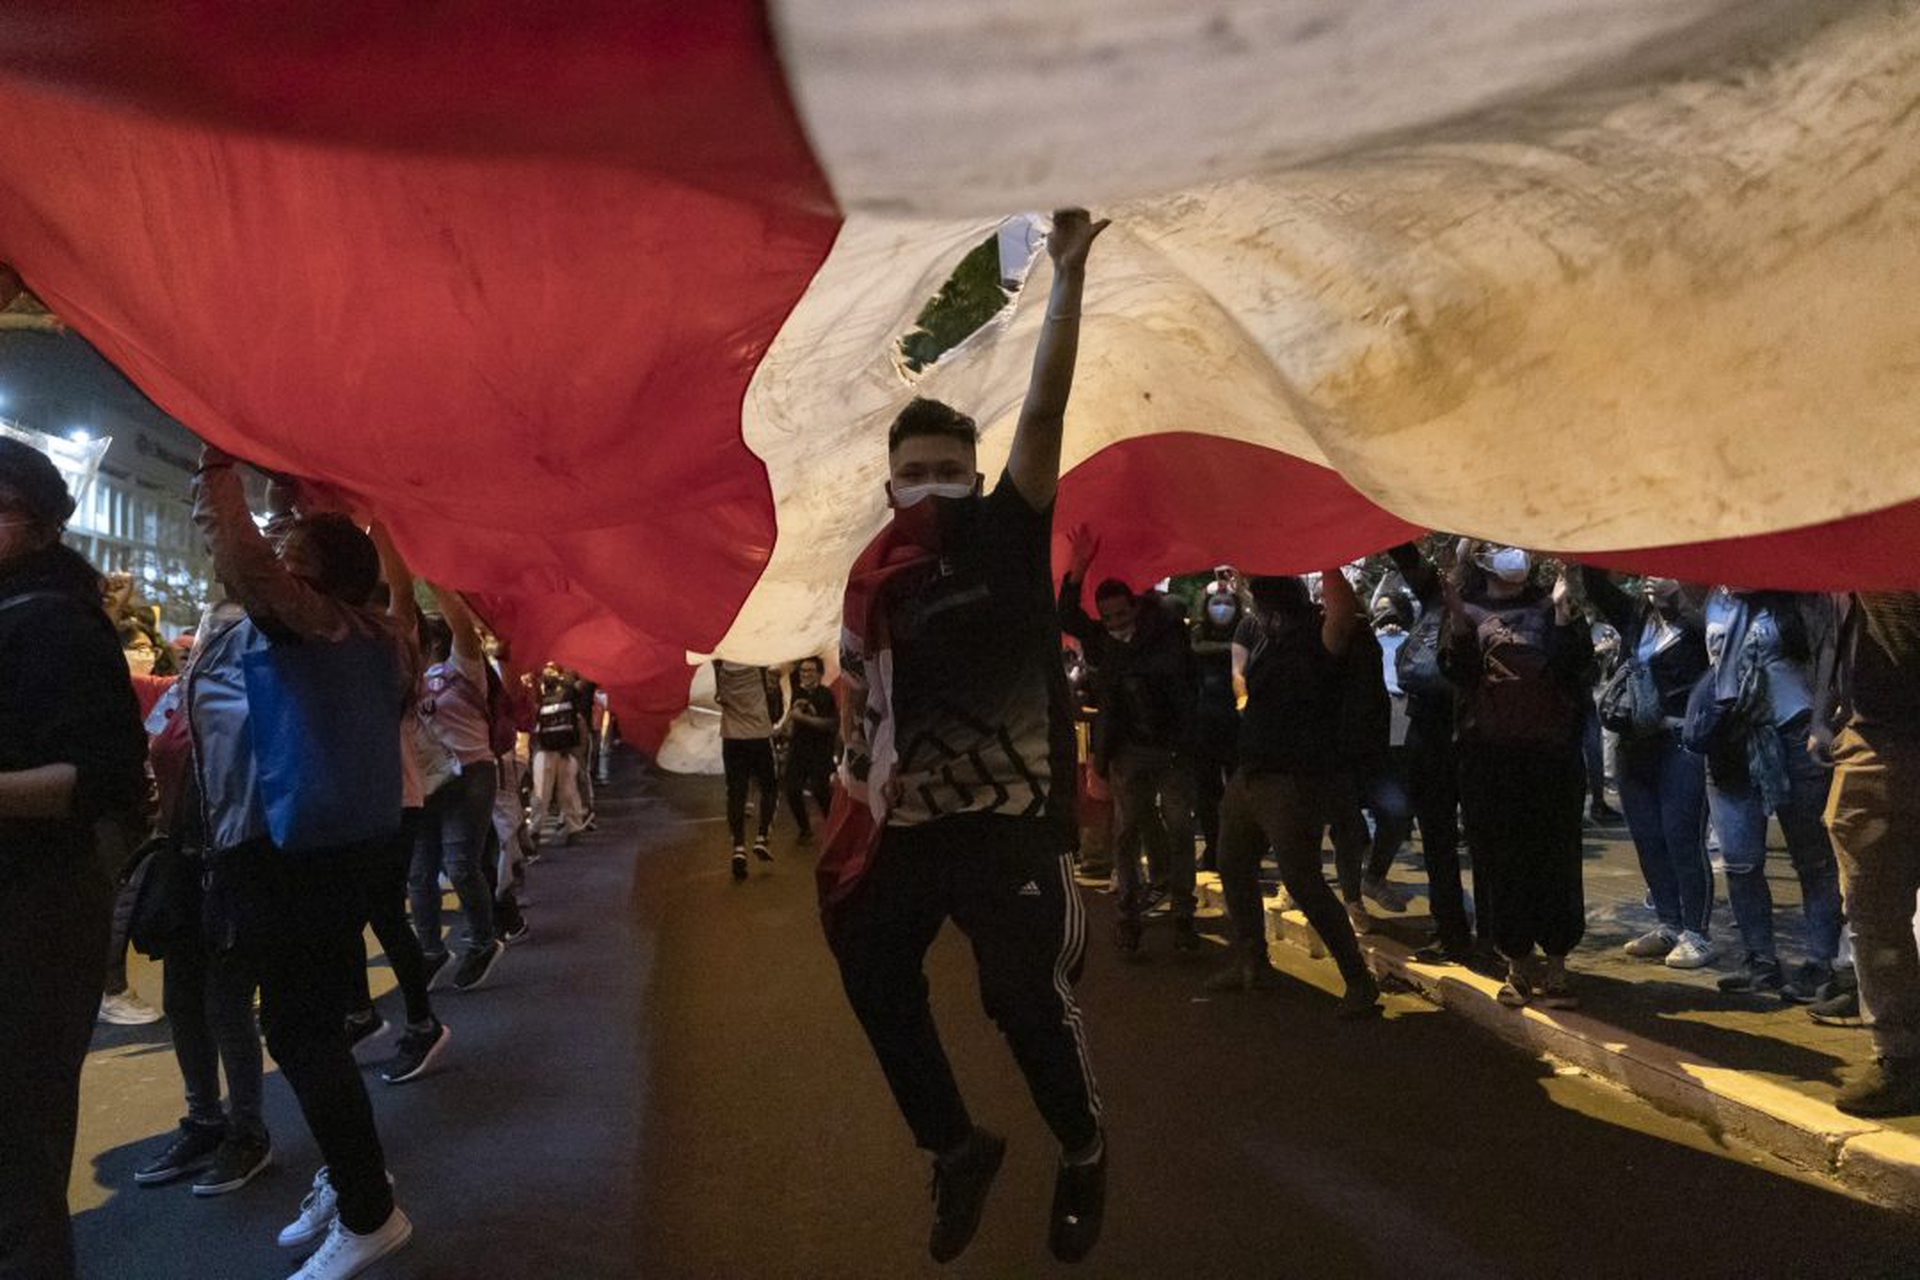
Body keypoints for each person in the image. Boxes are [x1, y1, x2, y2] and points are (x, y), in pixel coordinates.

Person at [823, 209, 1108, 1266]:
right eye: (918, 469)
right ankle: (956, 1145)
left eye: (953, 466)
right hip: (914, 827)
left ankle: (1081, 1146)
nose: (935, 481)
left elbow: (1044, 406)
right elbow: (864, 704)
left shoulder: (1006, 528)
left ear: (977, 476)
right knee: (865, 959)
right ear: (891, 482)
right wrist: (854, 777)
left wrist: (1067, 277)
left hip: (1009, 828)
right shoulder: (870, 584)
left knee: (1018, 994)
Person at [188, 442, 413, 1278]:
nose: (282, 556)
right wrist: (291, 486)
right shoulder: (378, 635)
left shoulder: (313, 624)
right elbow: (283, 554)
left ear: (316, 583)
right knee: (311, 1021)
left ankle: (368, 1211)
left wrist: (218, 465)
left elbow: (245, 560)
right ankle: (356, 1175)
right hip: (339, 845)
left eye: (297, 556)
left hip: (291, 853)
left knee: (298, 1029)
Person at [0, 437, 147, 1280]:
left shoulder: (55, 621)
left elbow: (102, 777)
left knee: (18, 1158)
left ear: (39, 522)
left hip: (33, 916)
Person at [1207, 571, 1382, 1021]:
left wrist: (1322, 555)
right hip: (1252, 772)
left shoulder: (1315, 637)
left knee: (1302, 879)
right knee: (1231, 863)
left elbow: (1342, 613)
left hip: (1293, 779)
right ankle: (1252, 960)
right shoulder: (1266, 639)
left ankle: (1359, 980)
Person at [1442, 543, 1593, 1010]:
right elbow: (1457, 673)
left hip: (1552, 759)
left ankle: (1558, 963)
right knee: (1502, 862)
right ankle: (1517, 963)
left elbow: (1577, 671)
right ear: (1481, 559)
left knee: (1557, 858)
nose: (1514, 555)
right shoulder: (1465, 607)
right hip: (1491, 761)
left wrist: (1568, 615)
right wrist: (1459, 623)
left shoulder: (1553, 605)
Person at [1058, 524, 1200, 955]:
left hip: (1173, 748)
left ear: (1136, 608)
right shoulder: (1103, 643)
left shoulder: (1166, 633)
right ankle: (1129, 917)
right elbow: (1067, 616)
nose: (1118, 623)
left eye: (1124, 615)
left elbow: (1183, 682)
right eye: (1110, 618)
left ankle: (1182, 916)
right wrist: (1078, 568)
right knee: (1127, 832)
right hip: (1130, 751)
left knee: (1178, 828)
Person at [1700, 589, 1846, 1000]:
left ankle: (1820, 962)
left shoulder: (1798, 595)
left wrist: (1821, 720)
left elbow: (1827, 658)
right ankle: (1760, 962)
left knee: (1813, 859)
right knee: (1741, 861)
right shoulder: (1714, 596)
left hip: (1793, 733)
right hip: (1732, 741)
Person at [353, 528, 450, 1083]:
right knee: (357, 913)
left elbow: (403, 599)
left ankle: (421, 1022)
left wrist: (383, 523)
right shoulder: (332, 639)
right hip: (358, 802)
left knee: (385, 914)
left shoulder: (391, 646)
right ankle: (362, 1013)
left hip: (394, 801)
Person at [1582, 569, 1715, 969]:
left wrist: (1677, 597)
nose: (1654, 579)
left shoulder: (1700, 622)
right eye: (1651, 572)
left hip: (1680, 746)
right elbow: (1597, 585)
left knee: (1682, 839)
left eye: (1666, 572)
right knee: (1648, 840)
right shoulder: (1637, 616)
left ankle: (1698, 934)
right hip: (1634, 747)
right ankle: (1668, 924)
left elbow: (1707, 633)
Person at [1824, 592, 1920, 1116]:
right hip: (1876, 741)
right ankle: (1900, 1057)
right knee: (1872, 913)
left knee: (1874, 916)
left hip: (1883, 739)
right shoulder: (1860, 555)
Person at [1385, 542, 1482, 967]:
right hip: (1430, 733)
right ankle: (1451, 929)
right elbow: (1404, 556)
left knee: (1477, 840)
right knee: (1438, 838)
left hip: (1473, 734)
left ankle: (1486, 933)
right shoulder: (1434, 596)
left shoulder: (1487, 602)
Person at [408, 587, 506, 994]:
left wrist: (436, 575)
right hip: (429, 782)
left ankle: (484, 941)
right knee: (418, 875)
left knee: (461, 864)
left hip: (470, 775)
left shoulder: (463, 670)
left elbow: (462, 625)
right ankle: (430, 952)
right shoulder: (407, 679)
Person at [1189, 583, 1242, 871]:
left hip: (1237, 727)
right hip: (1205, 728)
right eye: (1216, 603)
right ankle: (1214, 847)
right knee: (1207, 796)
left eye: (1228, 603)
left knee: (1239, 795)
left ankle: (1240, 850)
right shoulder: (1196, 640)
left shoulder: (1247, 638)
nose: (1222, 609)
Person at [713, 658, 779, 879]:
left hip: (732, 737)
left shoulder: (720, 665)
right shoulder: (760, 664)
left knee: (736, 793)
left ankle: (738, 848)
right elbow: (775, 707)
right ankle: (762, 837)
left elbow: (719, 697)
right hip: (759, 734)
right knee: (769, 786)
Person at [529, 664, 590, 844]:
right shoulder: (537, 691)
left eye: (552, 668)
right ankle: (534, 830)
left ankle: (574, 829)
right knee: (540, 794)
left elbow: (584, 683)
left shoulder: (570, 690)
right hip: (544, 748)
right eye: (546, 668)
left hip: (566, 750)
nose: (549, 672)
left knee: (568, 792)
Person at [780, 656, 837, 842]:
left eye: (810, 671)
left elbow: (829, 724)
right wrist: (787, 725)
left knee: (820, 790)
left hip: (820, 750)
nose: (806, 674)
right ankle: (805, 829)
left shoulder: (826, 695)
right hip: (799, 749)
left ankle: (834, 829)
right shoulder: (797, 693)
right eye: (803, 671)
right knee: (792, 788)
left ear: (819, 674)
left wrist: (802, 719)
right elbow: (792, 718)